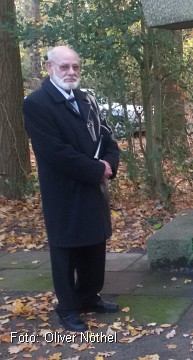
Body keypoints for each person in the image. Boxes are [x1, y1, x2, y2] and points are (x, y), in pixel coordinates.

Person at [23, 46, 121, 332]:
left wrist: (109, 164)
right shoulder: (37, 103)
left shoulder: (86, 99)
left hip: (93, 186)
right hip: (63, 190)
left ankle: (89, 296)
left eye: (75, 66)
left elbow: (107, 137)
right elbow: (54, 152)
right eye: (64, 67)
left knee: (94, 243)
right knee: (66, 248)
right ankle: (67, 307)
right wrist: (96, 169)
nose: (71, 72)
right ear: (49, 67)